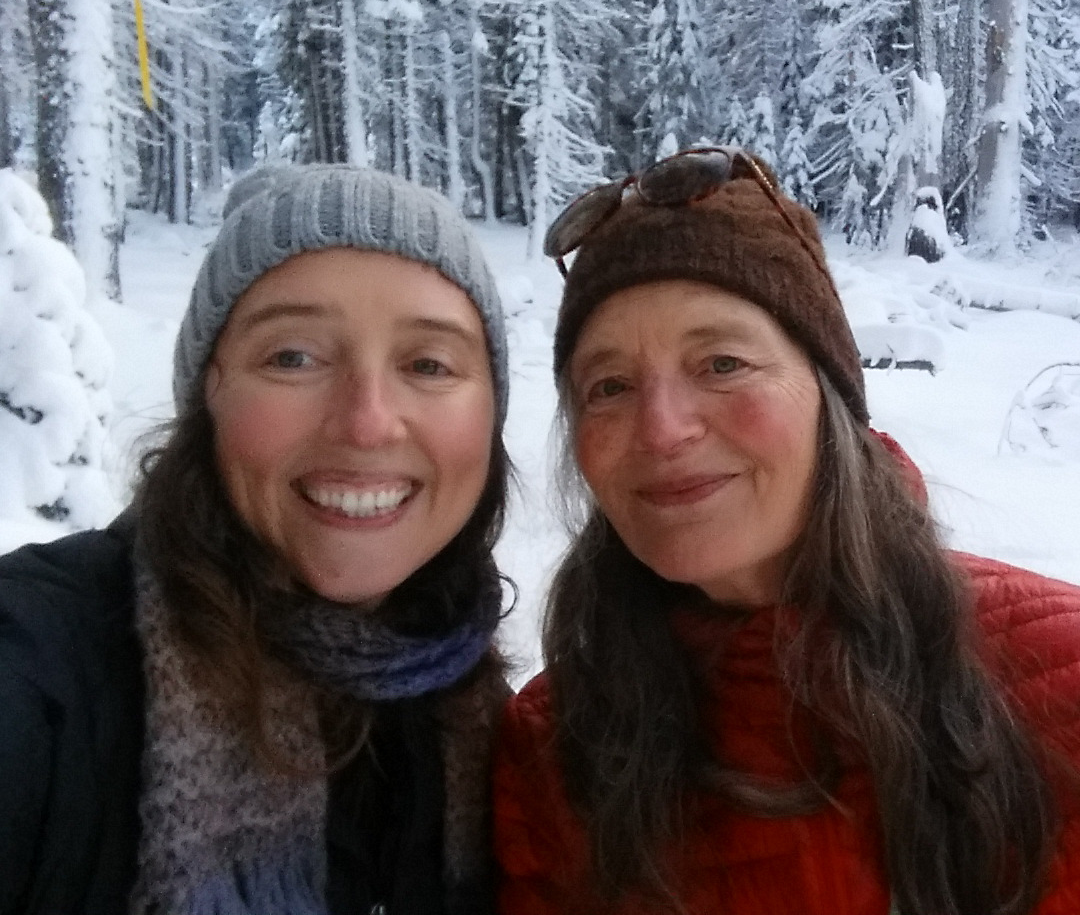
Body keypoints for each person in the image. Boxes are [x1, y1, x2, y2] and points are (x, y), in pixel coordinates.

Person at [493, 146, 1080, 915]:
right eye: (609, 386)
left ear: (829, 396)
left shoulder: (1056, 676)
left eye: (723, 363)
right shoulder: (548, 752)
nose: (662, 429)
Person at [0, 163, 513, 915]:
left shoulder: (486, 721)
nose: (367, 421)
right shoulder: (48, 669)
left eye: (429, 364)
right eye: (293, 357)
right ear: (209, 391)